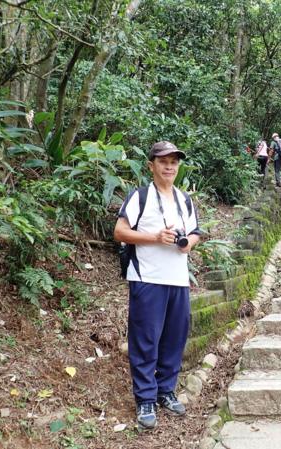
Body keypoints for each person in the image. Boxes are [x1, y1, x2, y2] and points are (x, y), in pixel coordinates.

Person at [113, 141, 202, 430]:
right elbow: (119, 232)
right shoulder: (140, 197)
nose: (169, 167)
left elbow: (195, 232)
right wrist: (155, 237)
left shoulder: (184, 199)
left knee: (174, 338)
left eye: (174, 162)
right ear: (151, 166)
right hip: (147, 278)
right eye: (163, 161)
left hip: (178, 279)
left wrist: (188, 243)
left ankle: (165, 390)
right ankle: (145, 399)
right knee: (145, 340)